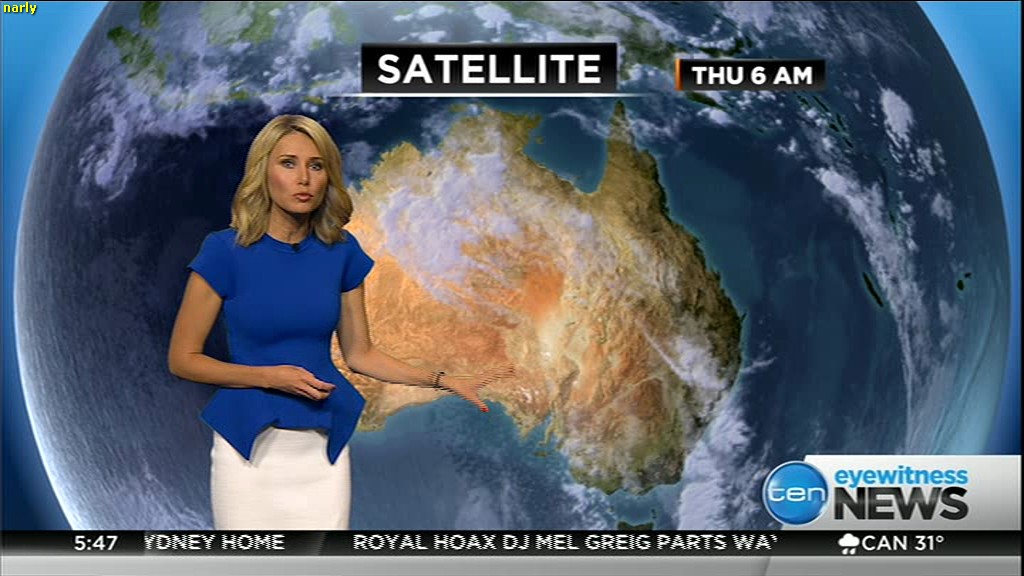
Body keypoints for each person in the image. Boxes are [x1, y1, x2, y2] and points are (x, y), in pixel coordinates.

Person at [167, 114, 515, 530]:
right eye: (288, 163)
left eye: (316, 166)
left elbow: (360, 354)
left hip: (321, 449)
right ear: (263, 172)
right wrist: (270, 377)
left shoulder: (341, 252)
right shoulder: (224, 252)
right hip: (248, 448)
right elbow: (183, 359)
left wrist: (443, 380)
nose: (304, 179)